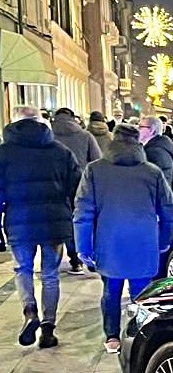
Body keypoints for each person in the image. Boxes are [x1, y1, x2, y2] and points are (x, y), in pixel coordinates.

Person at [74, 124, 173, 353]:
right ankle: (141, 333)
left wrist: (83, 246)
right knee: (142, 291)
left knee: (111, 290)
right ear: (138, 142)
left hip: (109, 241)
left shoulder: (94, 170)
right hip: (144, 240)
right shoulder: (152, 172)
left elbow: (83, 212)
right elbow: (168, 210)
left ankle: (112, 336)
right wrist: (164, 240)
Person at [0, 106, 82, 348]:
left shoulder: (4, 153)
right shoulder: (60, 151)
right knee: (50, 275)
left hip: (19, 221)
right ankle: (48, 328)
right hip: (54, 222)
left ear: (15, 123)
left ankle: (29, 311)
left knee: (22, 269)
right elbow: (76, 188)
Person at [49, 107, 99, 274]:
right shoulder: (85, 136)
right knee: (81, 219)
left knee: (60, 221)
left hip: (55, 186)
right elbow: (97, 160)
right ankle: (85, 257)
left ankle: (71, 260)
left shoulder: (48, 137)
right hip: (80, 184)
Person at [139, 116, 173, 193]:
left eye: (141, 127)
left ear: (151, 130)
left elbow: (152, 180)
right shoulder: (158, 146)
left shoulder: (154, 151)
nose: (137, 130)